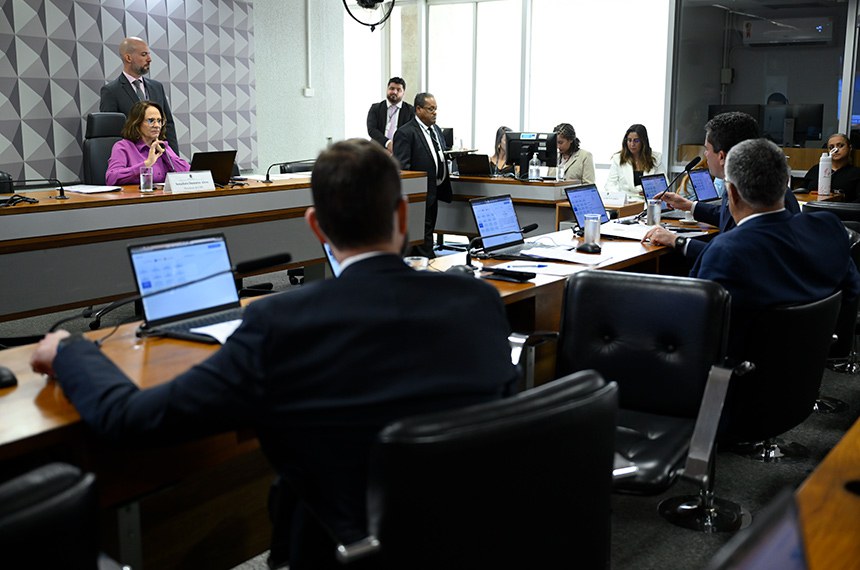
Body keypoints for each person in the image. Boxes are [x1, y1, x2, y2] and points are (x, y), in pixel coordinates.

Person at [30, 138, 517, 570]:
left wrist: (71, 352)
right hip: (474, 540)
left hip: (345, 548)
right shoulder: (477, 302)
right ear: (403, 215)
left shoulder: (280, 325)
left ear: (316, 227)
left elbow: (132, 419)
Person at [690, 138, 860, 355]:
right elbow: (850, 295)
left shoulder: (726, 251)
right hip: (809, 366)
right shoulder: (828, 228)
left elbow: (698, 332)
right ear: (786, 182)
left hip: (739, 379)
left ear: (731, 193)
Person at [643, 111, 800, 259]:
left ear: (722, 156)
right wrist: (689, 206)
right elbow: (727, 216)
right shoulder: (758, 183)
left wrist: (676, 240)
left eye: (707, 149)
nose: (705, 154)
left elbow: (732, 256)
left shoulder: (750, 193)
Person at [393, 92, 452, 258]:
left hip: (435, 191)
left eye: (436, 109)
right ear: (418, 109)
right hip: (419, 195)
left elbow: (438, 154)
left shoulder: (436, 130)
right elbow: (403, 168)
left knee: (429, 232)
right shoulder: (406, 133)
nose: (435, 113)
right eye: (430, 109)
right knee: (422, 239)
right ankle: (429, 267)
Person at [100, 37, 179, 154]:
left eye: (149, 54)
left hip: (161, 156)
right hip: (132, 159)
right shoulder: (111, 91)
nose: (149, 59)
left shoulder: (157, 87)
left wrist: (174, 159)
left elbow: (168, 125)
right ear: (128, 58)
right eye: (144, 54)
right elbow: (111, 133)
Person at [105, 100, 189, 186]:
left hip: (162, 197)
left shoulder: (162, 146)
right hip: (134, 197)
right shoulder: (123, 147)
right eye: (151, 120)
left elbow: (188, 173)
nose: (157, 125)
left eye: (159, 121)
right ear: (137, 123)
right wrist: (146, 164)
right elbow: (111, 178)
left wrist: (164, 153)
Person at [604, 124, 663, 201]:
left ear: (643, 142)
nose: (632, 144)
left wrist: (650, 191)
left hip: (648, 201)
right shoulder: (618, 158)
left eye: (636, 140)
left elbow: (663, 185)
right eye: (629, 140)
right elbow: (610, 185)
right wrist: (620, 199)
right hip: (625, 202)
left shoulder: (656, 158)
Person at [799, 133, 860, 201]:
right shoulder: (816, 170)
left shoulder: (856, 174)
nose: (836, 150)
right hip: (813, 208)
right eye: (831, 147)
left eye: (840, 146)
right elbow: (801, 192)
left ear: (850, 148)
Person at [366, 77, 415, 153]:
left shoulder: (410, 111)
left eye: (398, 90)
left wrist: (396, 148)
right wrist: (387, 143)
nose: (394, 92)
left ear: (403, 92)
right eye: (392, 88)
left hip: (401, 151)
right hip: (378, 149)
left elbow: (411, 133)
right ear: (387, 89)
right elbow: (372, 130)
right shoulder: (375, 108)